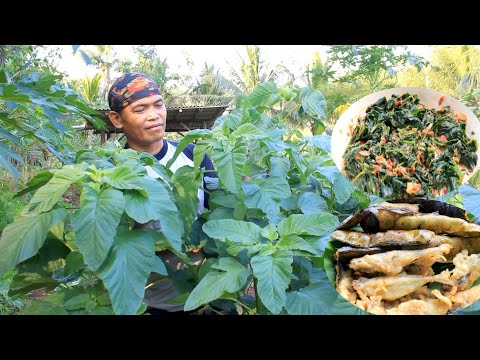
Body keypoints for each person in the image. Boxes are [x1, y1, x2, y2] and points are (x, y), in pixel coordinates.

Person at [107, 72, 218, 315]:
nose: (154, 116)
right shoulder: (111, 171)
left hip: (210, 296)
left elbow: (217, 214)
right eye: (140, 109)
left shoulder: (192, 155)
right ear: (117, 119)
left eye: (159, 105)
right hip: (152, 303)